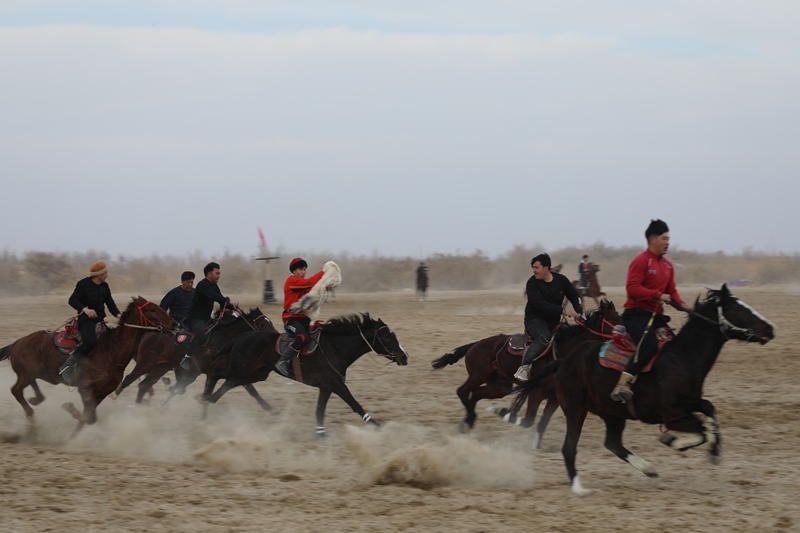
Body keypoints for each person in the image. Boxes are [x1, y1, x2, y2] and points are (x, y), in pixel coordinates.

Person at [610, 219, 687, 402]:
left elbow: (672, 292)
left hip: (657, 316)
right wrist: (658, 295)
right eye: (664, 238)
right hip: (636, 314)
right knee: (649, 345)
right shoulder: (640, 261)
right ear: (652, 240)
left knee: (676, 347)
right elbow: (632, 288)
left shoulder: (668, 266)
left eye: (669, 238)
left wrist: (684, 306)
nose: (667, 242)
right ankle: (623, 383)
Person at [514, 253, 583, 381]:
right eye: (533, 268)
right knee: (544, 337)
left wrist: (579, 311)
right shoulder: (532, 283)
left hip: (554, 321)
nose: (534, 271)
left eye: (536, 267)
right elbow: (540, 304)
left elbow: (574, 295)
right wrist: (563, 310)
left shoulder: (561, 280)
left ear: (546, 268)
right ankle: (524, 368)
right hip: (534, 320)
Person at [58, 261, 122, 385]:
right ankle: (67, 366)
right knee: (90, 342)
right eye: (105, 273)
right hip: (86, 320)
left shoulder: (105, 286)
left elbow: (110, 303)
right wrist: (85, 310)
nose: (107, 275)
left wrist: (119, 315)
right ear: (99, 275)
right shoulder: (83, 284)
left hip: (100, 320)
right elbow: (72, 300)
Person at [179, 262, 237, 371]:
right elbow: (213, 296)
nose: (219, 276)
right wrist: (228, 300)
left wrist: (233, 307)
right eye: (217, 273)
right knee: (201, 335)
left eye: (219, 273)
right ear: (209, 274)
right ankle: (187, 357)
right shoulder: (203, 285)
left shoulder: (214, 286)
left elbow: (220, 300)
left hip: (206, 318)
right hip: (195, 318)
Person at [275, 257, 325, 377]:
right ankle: (282, 361)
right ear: (294, 271)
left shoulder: (302, 284)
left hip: (304, 318)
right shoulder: (291, 281)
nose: (304, 272)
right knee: (302, 338)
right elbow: (311, 282)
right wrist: (324, 271)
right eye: (301, 269)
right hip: (291, 319)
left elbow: (316, 287)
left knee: (321, 331)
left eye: (305, 269)